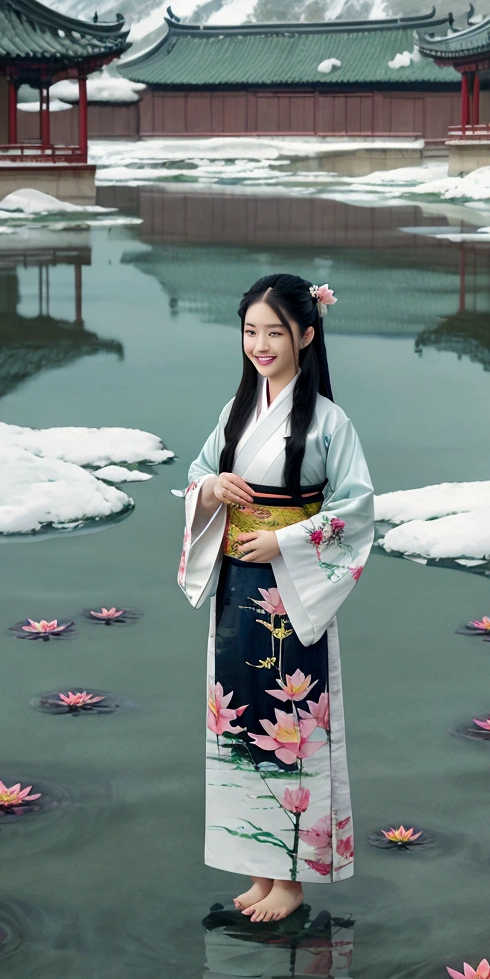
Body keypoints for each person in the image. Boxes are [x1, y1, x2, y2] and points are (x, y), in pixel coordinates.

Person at [177, 273, 375, 924]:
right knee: (239, 723)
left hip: (293, 589)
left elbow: (355, 508)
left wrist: (287, 541)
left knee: (292, 727)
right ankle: (262, 869)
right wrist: (211, 492)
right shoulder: (236, 411)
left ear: (307, 335)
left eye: (275, 333)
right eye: (250, 332)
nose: (260, 345)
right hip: (238, 587)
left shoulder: (329, 421)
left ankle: (294, 879)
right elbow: (200, 473)